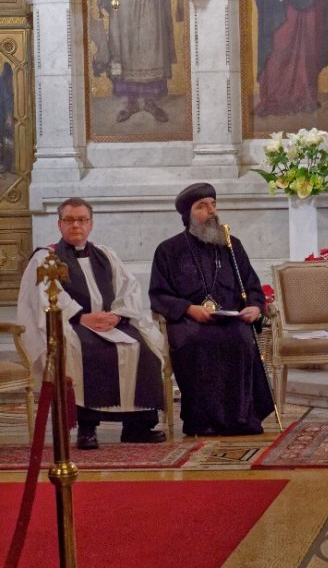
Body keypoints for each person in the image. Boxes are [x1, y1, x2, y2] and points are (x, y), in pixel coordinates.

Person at [17, 197, 166, 449]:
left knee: (144, 348)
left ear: (91, 224)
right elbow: (43, 295)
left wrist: (117, 315)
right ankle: (87, 429)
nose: (76, 225)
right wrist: (80, 316)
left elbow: (128, 288)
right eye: (69, 220)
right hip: (73, 323)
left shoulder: (105, 254)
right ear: (59, 224)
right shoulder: (47, 258)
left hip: (110, 322)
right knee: (79, 350)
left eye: (82, 220)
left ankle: (137, 426)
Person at [149, 183, 275, 436]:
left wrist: (253, 307)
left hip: (230, 318)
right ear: (187, 214)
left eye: (213, 204)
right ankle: (202, 421)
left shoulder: (231, 245)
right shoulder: (168, 250)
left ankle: (241, 418)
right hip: (188, 322)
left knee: (241, 340)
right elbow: (158, 294)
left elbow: (251, 286)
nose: (211, 211)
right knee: (199, 342)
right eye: (202, 206)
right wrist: (188, 308)